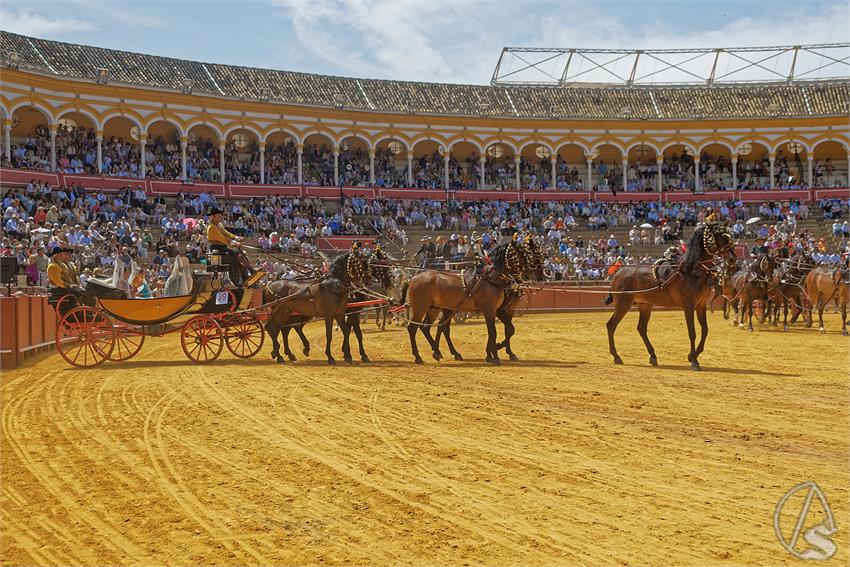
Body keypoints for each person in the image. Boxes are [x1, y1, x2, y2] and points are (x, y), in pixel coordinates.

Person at [206, 206, 253, 285]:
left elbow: (226, 234)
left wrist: (236, 237)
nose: (221, 217)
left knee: (240, 255)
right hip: (218, 249)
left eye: (221, 215)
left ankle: (244, 276)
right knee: (239, 255)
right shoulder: (211, 227)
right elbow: (222, 239)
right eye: (219, 215)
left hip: (223, 248)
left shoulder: (219, 225)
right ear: (212, 217)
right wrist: (234, 243)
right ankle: (251, 270)